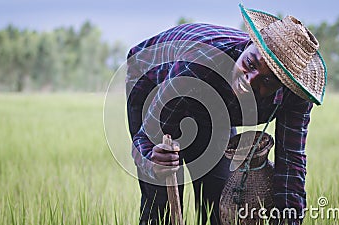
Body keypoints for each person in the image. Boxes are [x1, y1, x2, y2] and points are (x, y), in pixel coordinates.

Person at [126, 4, 326, 225]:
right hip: (153, 80)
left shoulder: (294, 96)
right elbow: (144, 140)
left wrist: (289, 220)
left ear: (285, 85)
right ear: (248, 44)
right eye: (250, 63)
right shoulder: (198, 63)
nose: (249, 80)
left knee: (221, 200)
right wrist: (152, 160)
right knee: (161, 203)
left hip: (216, 102)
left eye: (267, 81)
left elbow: (290, 163)